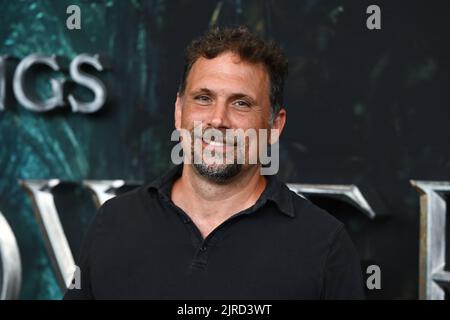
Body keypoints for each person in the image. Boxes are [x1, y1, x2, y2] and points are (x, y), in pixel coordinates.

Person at [63, 26, 364, 299]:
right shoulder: (114, 222)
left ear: (274, 125)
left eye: (241, 103)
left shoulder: (324, 244)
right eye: (203, 99)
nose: (218, 120)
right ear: (179, 112)